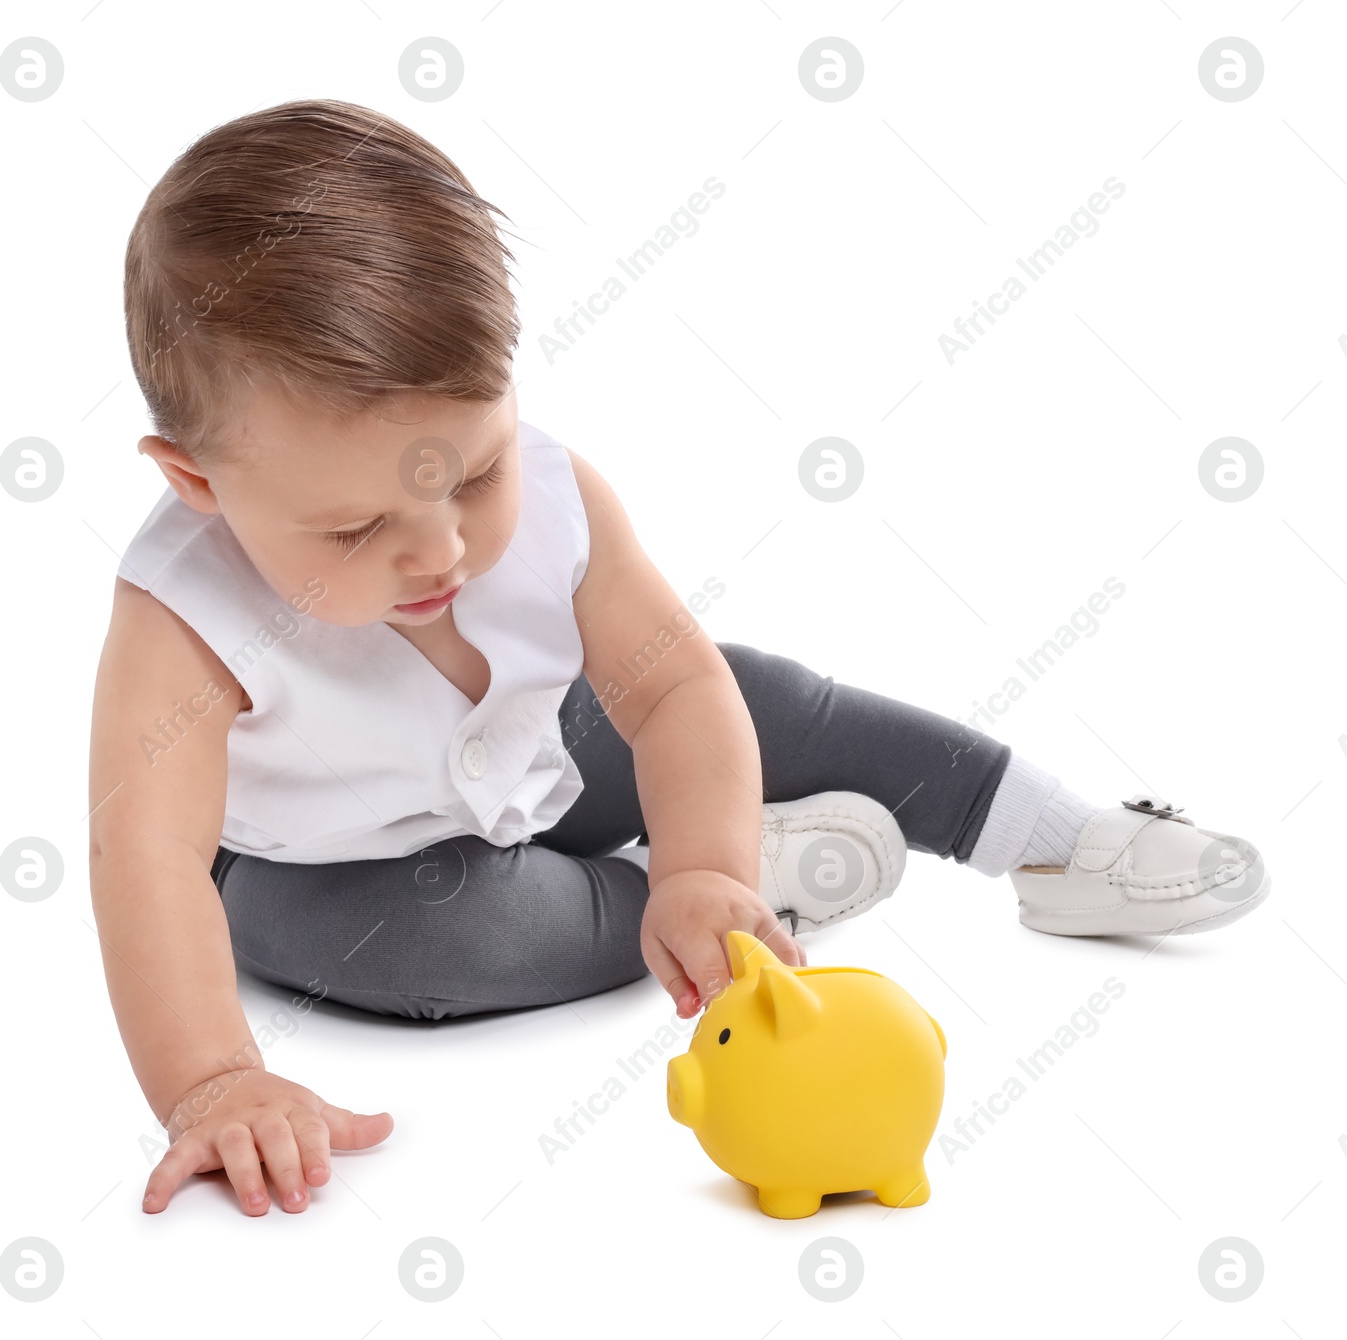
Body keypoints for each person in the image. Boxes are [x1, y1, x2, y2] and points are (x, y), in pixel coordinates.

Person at [90, 98, 1270, 1218]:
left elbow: (671, 688)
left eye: (479, 471)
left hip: (539, 753)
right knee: (446, 945)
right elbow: (146, 856)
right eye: (355, 530)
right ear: (197, 481)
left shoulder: (554, 498)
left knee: (750, 689)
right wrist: (209, 1079)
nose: (443, 548)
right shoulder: (182, 617)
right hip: (334, 871)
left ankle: (1050, 836)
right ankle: (732, 885)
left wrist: (690, 827)